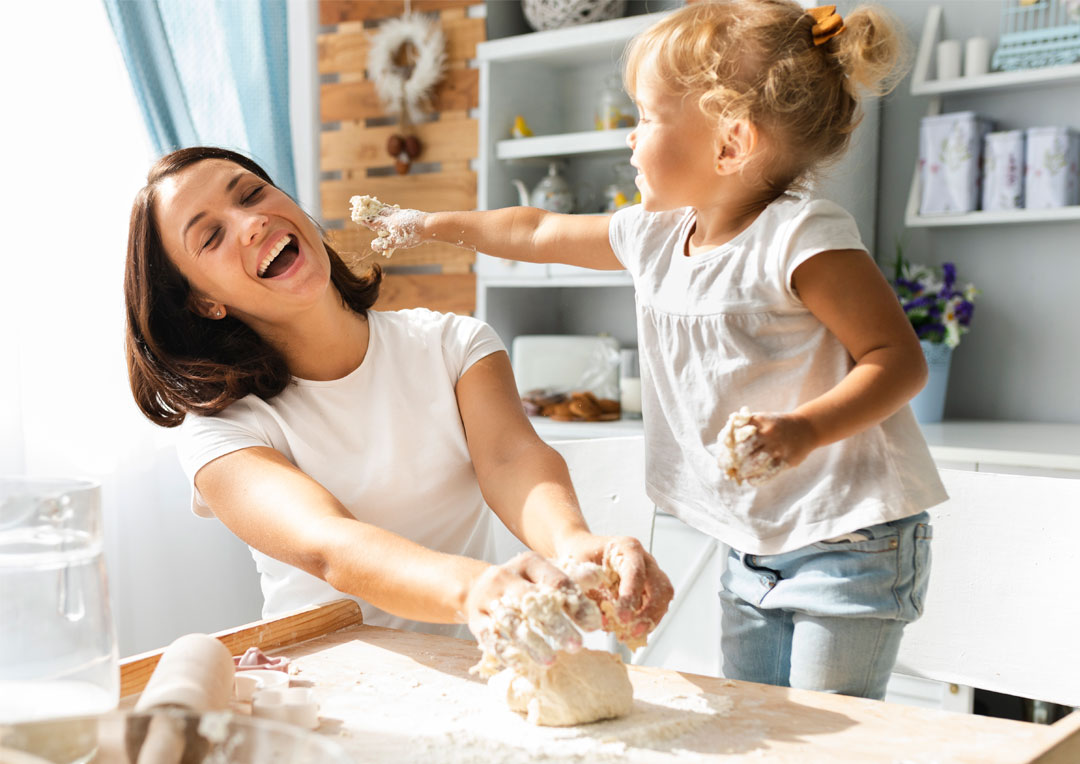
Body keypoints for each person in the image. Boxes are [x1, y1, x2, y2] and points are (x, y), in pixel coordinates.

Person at [356, 1, 947, 699]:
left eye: (647, 119)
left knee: (823, 733)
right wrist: (430, 222)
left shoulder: (801, 238)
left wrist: (804, 429)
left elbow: (897, 359)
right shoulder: (656, 234)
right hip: (751, 540)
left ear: (730, 144)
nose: (630, 143)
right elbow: (537, 229)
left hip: (850, 537)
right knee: (755, 716)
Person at [122, 146, 672, 662]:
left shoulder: (453, 344)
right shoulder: (220, 432)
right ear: (204, 302)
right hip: (326, 690)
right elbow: (330, 545)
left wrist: (573, 545)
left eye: (250, 194)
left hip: (476, 671)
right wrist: (475, 588)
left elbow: (512, 461)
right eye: (211, 236)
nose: (251, 222)